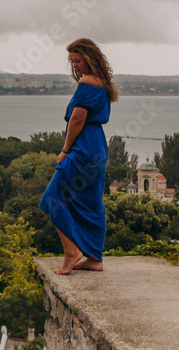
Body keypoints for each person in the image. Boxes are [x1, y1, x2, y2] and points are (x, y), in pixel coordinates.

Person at [39, 38, 119, 275]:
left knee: (52, 198)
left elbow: (77, 119)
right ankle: (95, 258)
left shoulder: (87, 82)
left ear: (89, 58)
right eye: (71, 61)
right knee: (92, 202)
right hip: (97, 147)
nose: (74, 66)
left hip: (82, 148)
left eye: (77, 60)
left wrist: (65, 150)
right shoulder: (102, 83)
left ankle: (72, 252)